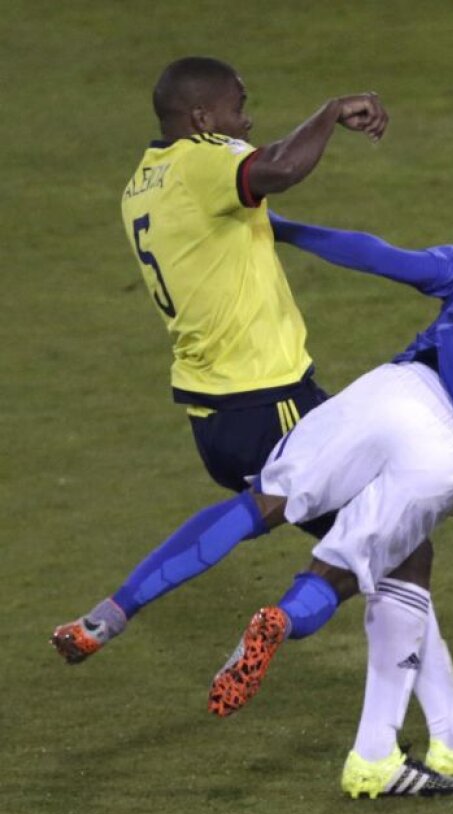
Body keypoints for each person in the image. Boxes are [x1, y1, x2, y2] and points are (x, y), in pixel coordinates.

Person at [64, 214, 453, 798]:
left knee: (268, 499)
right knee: (351, 564)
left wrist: (282, 227)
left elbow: (383, 256)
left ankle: (115, 610)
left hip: (396, 390)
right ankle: (285, 629)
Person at [51, 57, 391, 658]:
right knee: (391, 538)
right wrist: (334, 109)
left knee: (359, 536)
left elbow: (249, 221)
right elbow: (281, 168)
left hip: (215, 415)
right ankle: (286, 632)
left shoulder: (142, 185)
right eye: (239, 105)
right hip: (272, 399)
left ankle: (111, 614)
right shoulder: (204, 159)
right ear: (202, 116)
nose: (248, 117)